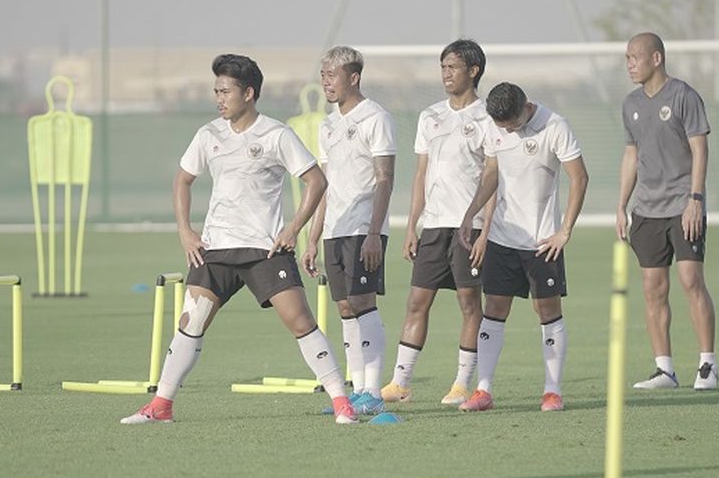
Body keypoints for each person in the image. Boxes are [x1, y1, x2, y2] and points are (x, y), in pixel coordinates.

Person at [121, 54, 357, 425]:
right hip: (215, 249)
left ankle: (343, 402)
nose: (219, 98)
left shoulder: (276, 134)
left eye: (225, 90)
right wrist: (185, 231)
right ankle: (160, 406)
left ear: (248, 93)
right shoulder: (208, 134)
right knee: (191, 321)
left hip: (265, 250)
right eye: (216, 90)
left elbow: (316, 181)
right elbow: (182, 180)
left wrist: (293, 229)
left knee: (300, 321)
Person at [456, 82, 588, 412]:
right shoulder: (493, 125)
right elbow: (491, 173)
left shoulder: (555, 126)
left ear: (526, 107)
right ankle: (483, 390)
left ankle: (552, 391)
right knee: (494, 309)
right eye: (503, 128)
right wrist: (470, 214)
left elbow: (580, 177)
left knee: (547, 311)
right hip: (502, 237)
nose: (508, 132)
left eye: (512, 125)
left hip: (542, 241)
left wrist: (564, 231)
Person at [380, 39, 494, 406]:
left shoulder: (487, 118)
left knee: (468, 304)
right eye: (442, 67)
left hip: (469, 226)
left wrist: (484, 232)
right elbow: (420, 174)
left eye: (453, 67)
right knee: (416, 302)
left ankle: (462, 383)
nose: (445, 74)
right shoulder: (429, 116)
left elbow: (494, 178)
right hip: (433, 226)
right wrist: (412, 225)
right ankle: (400, 383)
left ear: (473, 71)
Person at [617, 32, 719, 390]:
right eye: (627, 58)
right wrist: (621, 205)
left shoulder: (683, 96)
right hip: (646, 211)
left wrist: (696, 199)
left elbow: (700, 150)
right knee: (653, 288)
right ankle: (665, 370)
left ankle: (707, 365)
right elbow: (632, 155)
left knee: (691, 281)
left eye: (634, 57)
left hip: (682, 205)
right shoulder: (629, 103)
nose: (629, 64)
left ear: (656, 58)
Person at [301, 45, 397, 417]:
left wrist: (375, 232)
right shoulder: (327, 124)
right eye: (322, 75)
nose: (326, 82)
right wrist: (311, 237)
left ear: (353, 77)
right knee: (344, 306)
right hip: (334, 229)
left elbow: (385, 178)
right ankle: (355, 392)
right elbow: (323, 184)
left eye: (332, 75)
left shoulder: (376, 118)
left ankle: (373, 390)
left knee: (362, 302)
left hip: (364, 227)